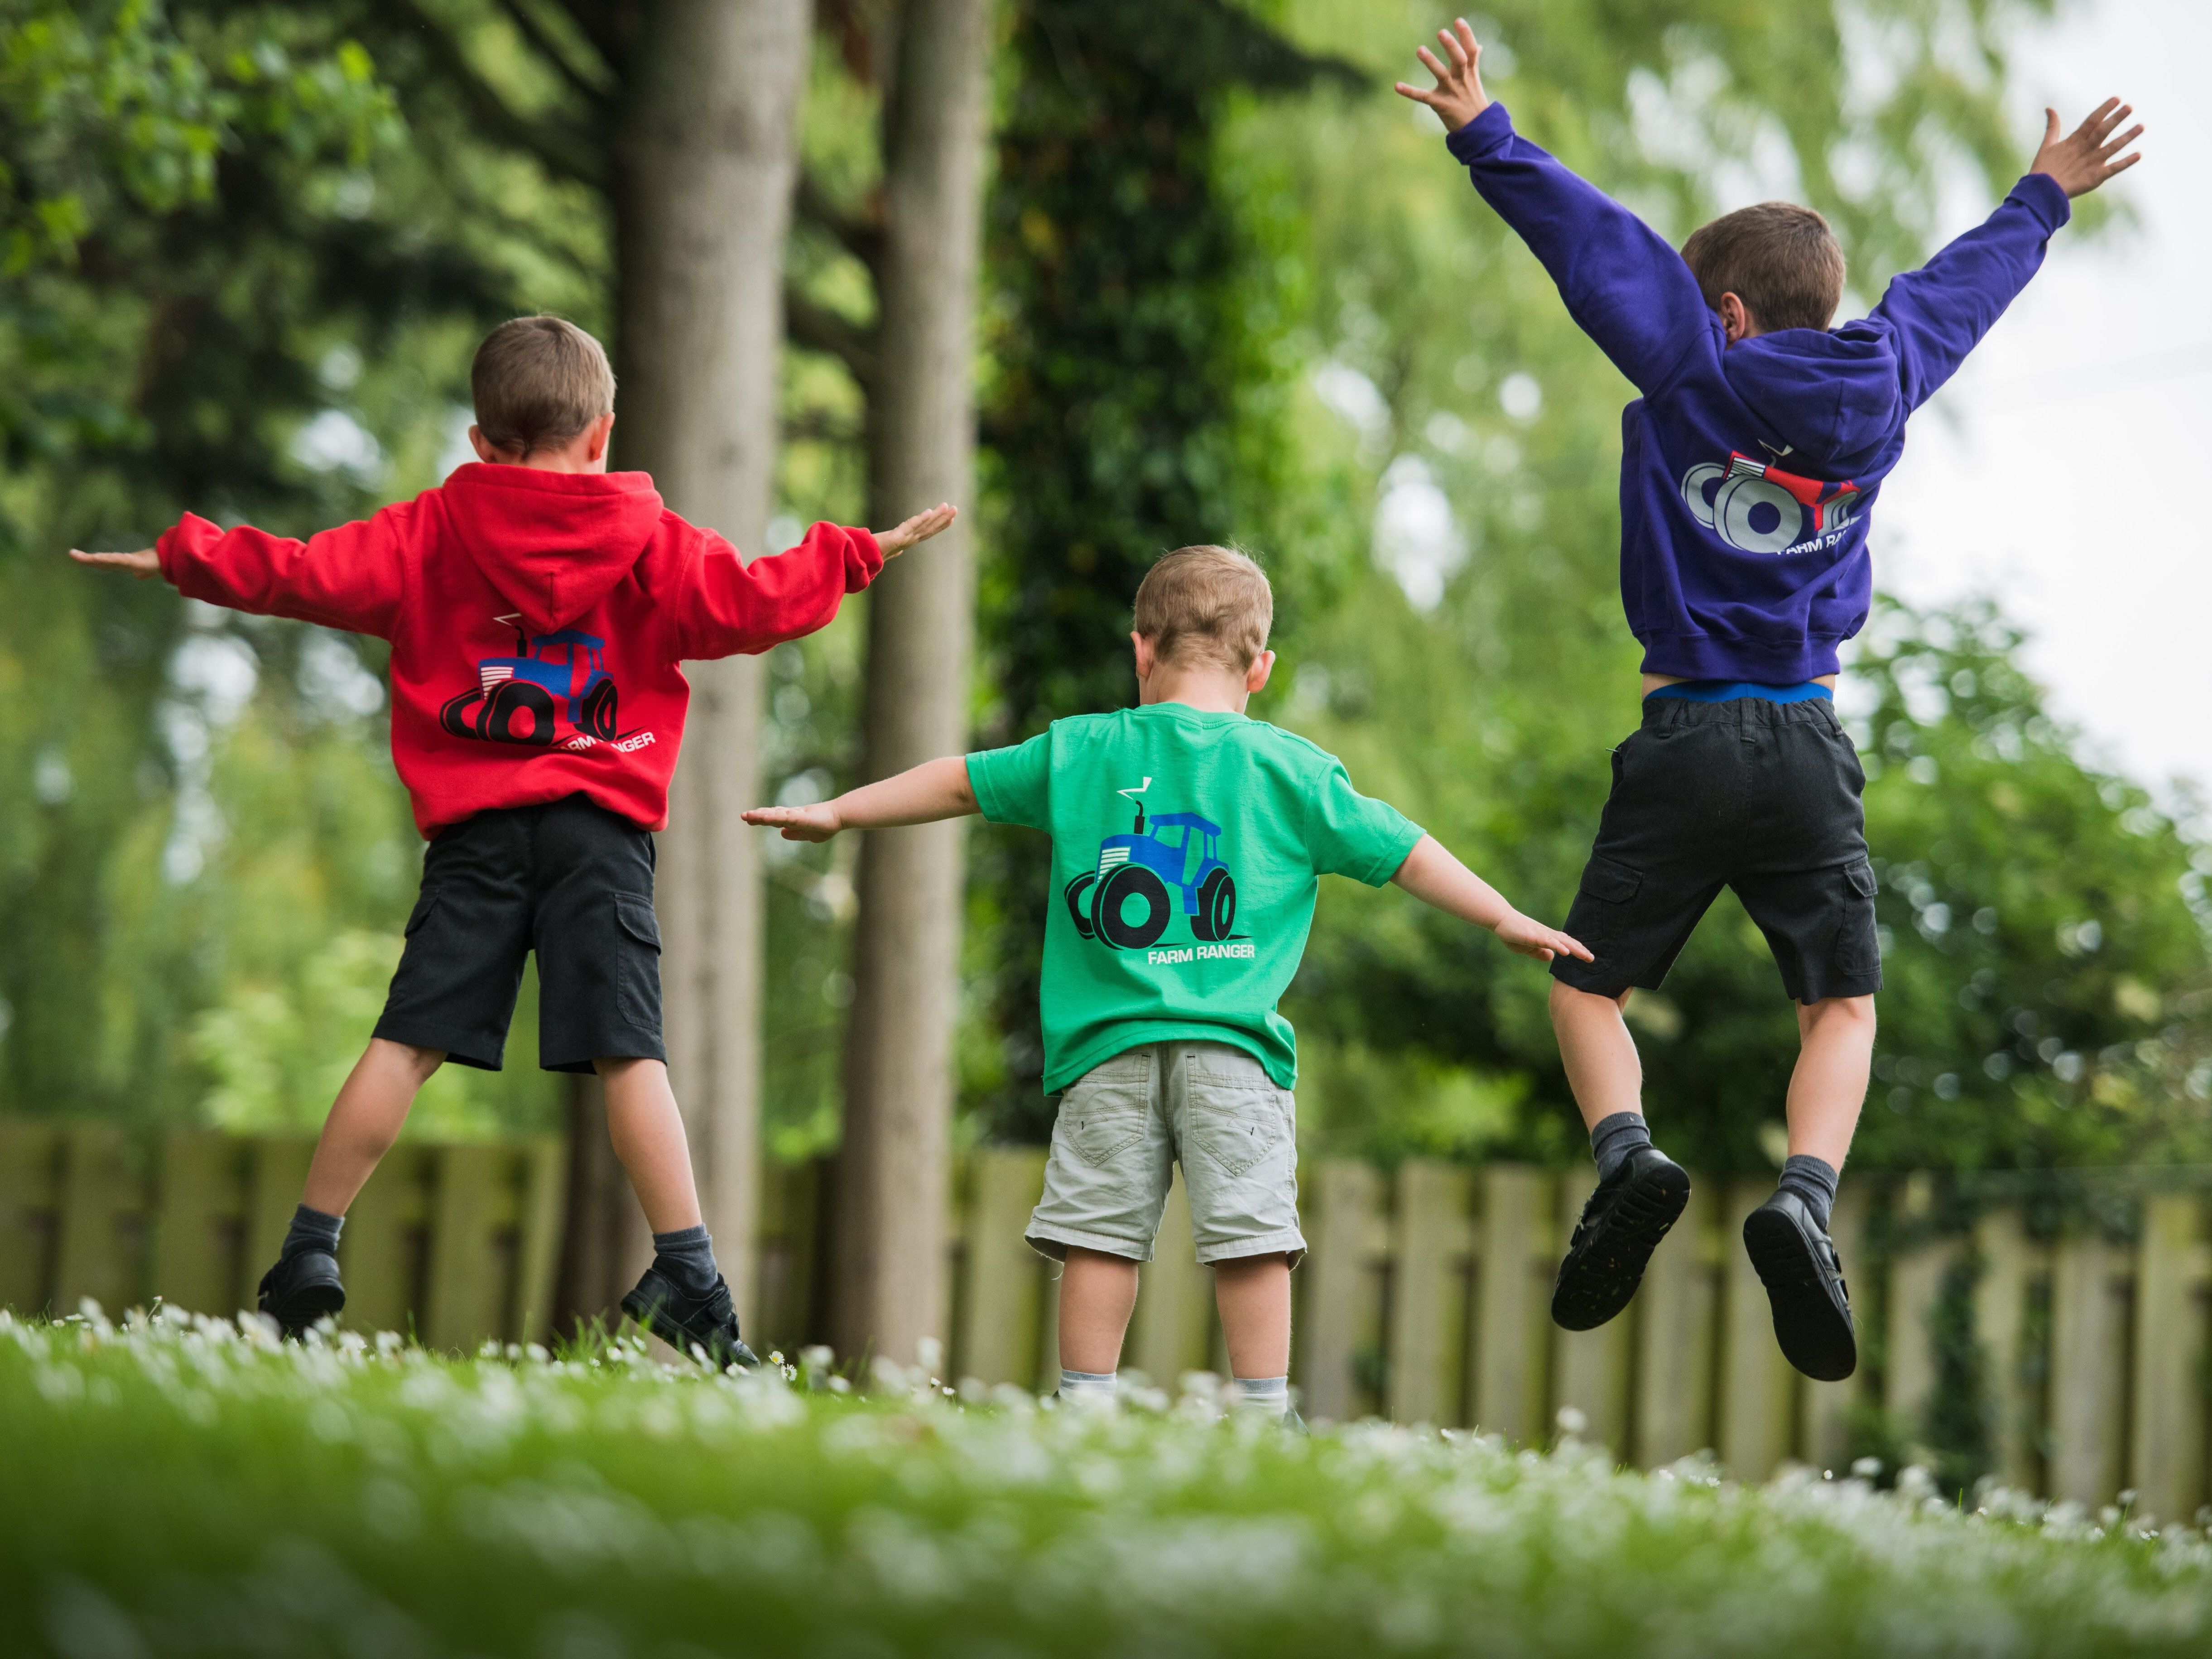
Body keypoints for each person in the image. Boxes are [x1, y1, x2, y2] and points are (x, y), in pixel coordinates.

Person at [1398, 20, 2141, 1380]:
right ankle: (1804, 1194)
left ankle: (1627, 1159)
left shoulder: (1693, 368)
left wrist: (1485, 136)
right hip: (1806, 741)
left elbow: (1598, 252)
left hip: (1681, 732)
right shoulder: (1887, 374)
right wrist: (2042, 193)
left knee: (1584, 983)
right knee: (1840, 1009)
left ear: (1724, 313)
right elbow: (1956, 294)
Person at [74, 314, 954, 1361]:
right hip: (602, 835)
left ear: (483, 441)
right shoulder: (654, 542)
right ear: (603, 433)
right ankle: (688, 1270)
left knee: (406, 1041)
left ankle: (311, 1246)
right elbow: (752, 601)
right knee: (631, 1054)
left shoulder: (425, 534)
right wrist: (856, 554)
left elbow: (301, 572)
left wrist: (183, 556)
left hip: (476, 837)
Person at [744, 544, 1585, 1418]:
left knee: (1099, 1236)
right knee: (1252, 1237)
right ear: (1261, 669)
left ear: (1140, 650)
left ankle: (1087, 1401)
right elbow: (1402, 849)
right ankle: (1261, 1409)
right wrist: (1501, 916)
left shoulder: (1084, 750)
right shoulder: (1291, 769)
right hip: (1236, 1053)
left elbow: (960, 785)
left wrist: (841, 810)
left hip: (1109, 1050)